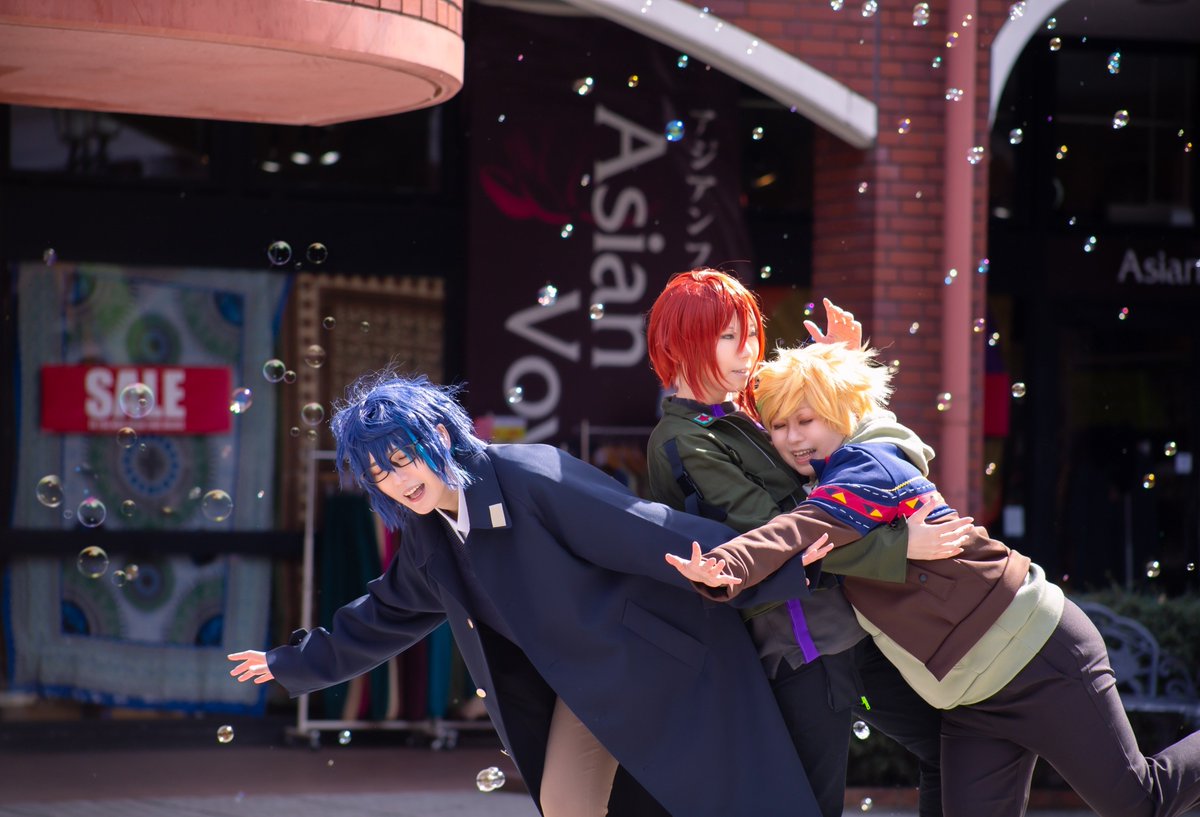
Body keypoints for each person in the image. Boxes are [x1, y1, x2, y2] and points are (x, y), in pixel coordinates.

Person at [228, 370, 841, 817]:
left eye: (402, 457)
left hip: (662, 662)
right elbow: (386, 613)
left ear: (438, 433)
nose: (397, 480)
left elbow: (642, 526)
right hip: (587, 686)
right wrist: (292, 662)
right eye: (379, 473)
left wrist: (763, 558)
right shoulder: (427, 533)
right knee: (567, 804)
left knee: (729, 800)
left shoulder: (527, 474)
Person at [668, 341, 1200, 817]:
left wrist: (724, 567)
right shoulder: (833, 478)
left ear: (841, 412)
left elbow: (794, 531)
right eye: (779, 425)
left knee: (1140, 803)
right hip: (970, 701)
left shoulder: (865, 467)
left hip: (1038, 656)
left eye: (805, 420)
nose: (791, 438)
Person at [644, 269, 967, 817]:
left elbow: (837, 466)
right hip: (803, 641)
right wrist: (899, 547)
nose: (747, 350)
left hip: (848, 621)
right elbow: (781, 532)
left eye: (750, 333)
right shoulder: (683, 440)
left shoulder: (741, 413)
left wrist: (841, 365)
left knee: (954, 751)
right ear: (679, 341)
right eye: (727, 336)